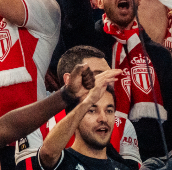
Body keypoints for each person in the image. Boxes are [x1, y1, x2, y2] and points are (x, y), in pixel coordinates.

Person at [61, 0, 172, 160]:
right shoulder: (91, 43)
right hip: (102, 153)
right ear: (98, 0)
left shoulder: (158, 55)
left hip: (155, 159)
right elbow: (76, 19)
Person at [15, 46, 143, 168]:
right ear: (69, 81)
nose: (107, 82)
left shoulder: (122, 124)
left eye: (109, 76)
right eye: (98, 75)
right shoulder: (34, 124)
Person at [35, 68, 131, 170]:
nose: (103, 118)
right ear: (76, 116)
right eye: (92, 110)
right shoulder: (62, 162)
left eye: (109, 111)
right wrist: (89, 101)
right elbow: (48, 153)